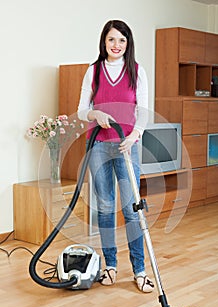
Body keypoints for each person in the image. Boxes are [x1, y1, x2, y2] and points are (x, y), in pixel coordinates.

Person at [78, 19, 154, 293]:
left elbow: (143, 111)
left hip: (127, 145)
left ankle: (140, 270)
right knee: (106, 208)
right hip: (98, 145)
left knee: (132, 210)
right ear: (104, 42)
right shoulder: (94, 71)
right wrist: (94, 114)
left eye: (122, 40)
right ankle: (110, 266)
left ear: (128, 43)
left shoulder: (137, 71)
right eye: (112, 39)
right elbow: (80, 110)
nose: (117, 45)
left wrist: (134, 137)